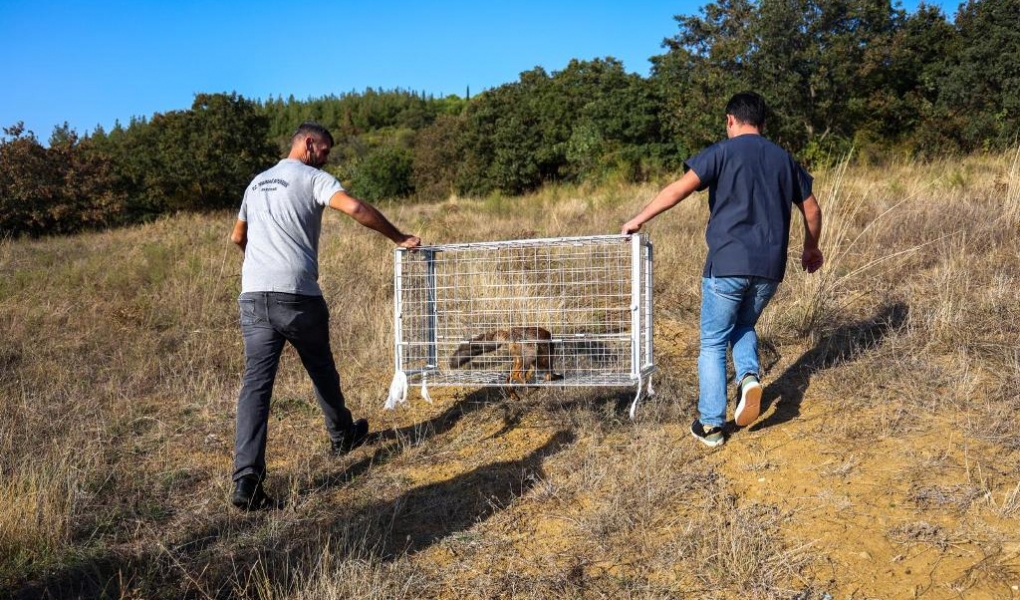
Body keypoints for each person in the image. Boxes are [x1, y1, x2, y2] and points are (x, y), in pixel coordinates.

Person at [229, 122, 420, 509]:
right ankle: (341, 433)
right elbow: (355, 207)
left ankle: (246, 480)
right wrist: (398, 237)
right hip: (296, 295)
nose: (327, 158)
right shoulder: (312, 178)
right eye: (326, 151)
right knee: (321, 367)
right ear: (310, 144)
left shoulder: (256, 183)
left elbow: (238, 237)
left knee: (256, 386)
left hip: (252, 295)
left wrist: (261, 267)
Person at [621, 92, 823, 448]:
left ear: (731, 119)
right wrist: (810, 248)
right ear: (763, 123)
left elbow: (677, 191)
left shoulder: (721, 152)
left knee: (713, 342)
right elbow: (812, 210)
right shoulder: (784, 159)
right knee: (743, 324)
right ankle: (748, 378)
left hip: (727, 264)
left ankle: (712, 425)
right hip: (769, 269)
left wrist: (638, 219)